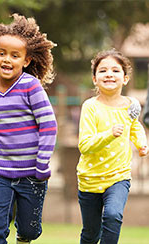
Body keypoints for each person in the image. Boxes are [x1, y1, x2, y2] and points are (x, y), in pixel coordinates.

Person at [0, 13, 57, 244]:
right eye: (2, 53)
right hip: (0, 172)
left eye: (15, 55)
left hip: (33, 174)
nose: (8, 60)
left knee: (29, 230)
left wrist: (42, 162)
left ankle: (24, 237)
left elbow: (48, 125)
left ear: (26, 61)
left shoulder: (31, 86)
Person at [77, 49, 149, 244]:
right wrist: (109, 134)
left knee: (113, 215)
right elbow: (84, 145)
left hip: (118, 176)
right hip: (89, 179)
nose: (109, 74)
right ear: (94, 79)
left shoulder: (131, 105)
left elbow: (136, 128)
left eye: (115, 70)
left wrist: (142, 144)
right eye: (103, 70)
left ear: (125, 78)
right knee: (91, 234)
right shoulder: (90, 107)